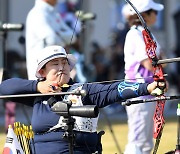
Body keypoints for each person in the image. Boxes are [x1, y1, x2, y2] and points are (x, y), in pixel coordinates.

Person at [0, 45, 166, 154]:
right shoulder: (37, 96)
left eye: (64, 63)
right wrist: (38, 87)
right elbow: (5, 88)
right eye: (55, 64)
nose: (61, 67)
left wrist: (148, 87)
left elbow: (114, 90)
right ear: (42, 72)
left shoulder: (83, 91)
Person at [122, 0, 165, 154]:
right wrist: (158, 64)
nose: (157, 16)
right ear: (145, 15)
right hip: (139, 92)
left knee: (146, 142)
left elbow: (160, 61)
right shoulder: (135, 34)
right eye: (155, 12)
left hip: (150, 93)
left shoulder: (147, 33)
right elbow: (149, 63)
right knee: (137, 140)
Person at [26, 0, 77, 80]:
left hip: (57, 73)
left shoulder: (54, 14)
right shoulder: (37, 13)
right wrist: (62, 35)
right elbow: (52, 39)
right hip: (42, 74)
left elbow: (73, 37)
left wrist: (57, 33)